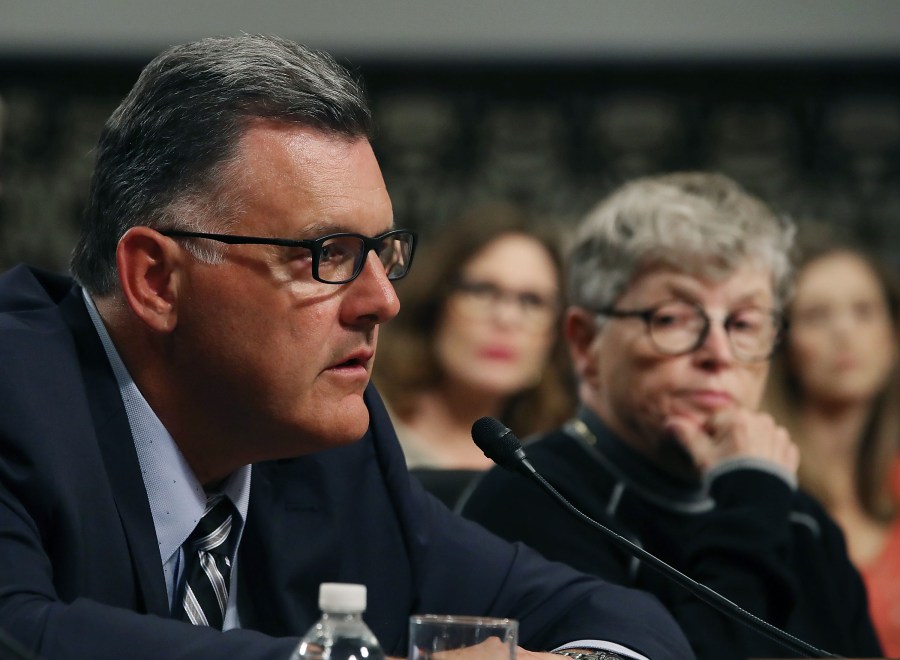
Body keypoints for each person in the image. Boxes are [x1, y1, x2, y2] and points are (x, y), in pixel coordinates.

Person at [0, 36, 693, 660]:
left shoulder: (332, 453)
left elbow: (609, 615)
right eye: (325, 255)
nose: (383, 302)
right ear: (157, 280)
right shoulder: (18, 395)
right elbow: (22, 631)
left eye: (382, 253)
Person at [461, 172, 883, 659]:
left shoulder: (799, 518)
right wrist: (749, 505)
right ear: (585, 343)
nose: (719, 352)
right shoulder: (534, 498)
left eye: (744, 323)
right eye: (673, 318)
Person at [374, 204, 574, 504]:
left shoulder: (555, 467)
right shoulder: (366, 424)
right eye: (482, 290)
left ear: (555, 332)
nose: (506, 319)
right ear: (437, 301)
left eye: (532, 301)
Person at [763, 232, 900, 655]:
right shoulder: (763, 492)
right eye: (817, 315)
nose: (844, 332)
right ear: (783, 346)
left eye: (864, 311)